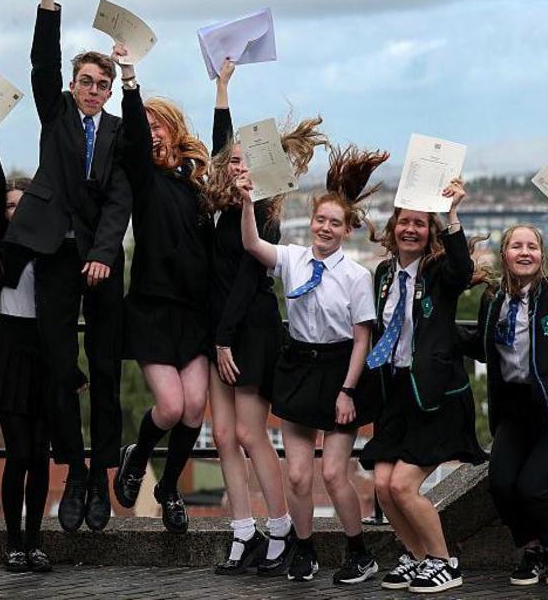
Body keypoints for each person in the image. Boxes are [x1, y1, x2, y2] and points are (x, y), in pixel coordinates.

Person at [3, 0, 133, 533]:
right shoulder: (55, 114)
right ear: (74, 84)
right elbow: (41, 64)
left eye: (101, 84)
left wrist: (105, 255)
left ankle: (102, 476)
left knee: (104, 370)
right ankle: (74, 472)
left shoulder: (120, 132)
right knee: (59, 368)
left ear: (109, 90)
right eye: (85, 81)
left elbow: (121, 198)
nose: (92, 89)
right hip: (54, 254)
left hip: (101, 262)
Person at [237, 143, 388, 584]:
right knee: (300, 475)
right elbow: (251, 243)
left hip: (341, 372)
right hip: (299, 367)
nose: (325, 227)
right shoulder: (292, 259)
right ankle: (304, 550)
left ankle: (359, 553)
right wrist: (247, 201)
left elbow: (362, 339)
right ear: (312, 221)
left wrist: (347, 391)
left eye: (334, 223)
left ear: (347, 230)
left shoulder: (357, 277)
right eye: (321, 219)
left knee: (334, 472)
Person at [203, 58, 319, 575]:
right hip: (219, 332)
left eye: (246, 161)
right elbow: (220, 145)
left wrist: (224, 340)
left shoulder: (265, 214)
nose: (236, 166)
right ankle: (242, 530)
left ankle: (280, 527)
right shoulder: (223, 201)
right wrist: (223, 89)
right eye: (232, 161)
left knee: (251, 435)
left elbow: (249, 281)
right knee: (223, 437)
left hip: (247, 332)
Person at [460, 193, 548, 588]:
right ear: (504, 254)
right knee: (501, 484)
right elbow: (483, 346)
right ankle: (530, 548)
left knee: (532, 487)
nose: (524, 252)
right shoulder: (493, 300)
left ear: (541, 256)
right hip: (516, 412)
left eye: (532, 247)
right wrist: (437, 331)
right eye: (516, 246)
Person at [359, 178, 487, 593]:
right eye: (404, 222)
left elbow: (462, 271)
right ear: (393, 227)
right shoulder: (383, 273)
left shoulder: (438, 273)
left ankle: (444, 562)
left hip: (434, 395)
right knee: (382, 486)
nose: (410, 229)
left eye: (419, 223)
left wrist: (451, 216)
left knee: (402, 485)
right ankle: (418, 558)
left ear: (430, 232)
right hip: (396, 394)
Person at [109, 51, 210, 535]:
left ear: (174, 128)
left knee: (195, 407)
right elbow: (131, 132)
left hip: (194, 312)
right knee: (170, 407)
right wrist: (129, 79)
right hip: (151, 308)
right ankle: (138, 453)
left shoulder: (196, 184)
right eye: (144, 126)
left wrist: (223, 89)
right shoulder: (142, 177)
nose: (151, 132)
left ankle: (169, 488)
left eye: (157, 125)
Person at [0, 106, 53, 573]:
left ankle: (35, 542)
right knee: (18, 452)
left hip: (45, 351)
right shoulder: (3, 245)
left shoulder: (51, 246)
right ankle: (12, 542)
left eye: (23, 205)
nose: (14, 209)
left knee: (40, 456)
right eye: (9, 206)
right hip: (10, 350)